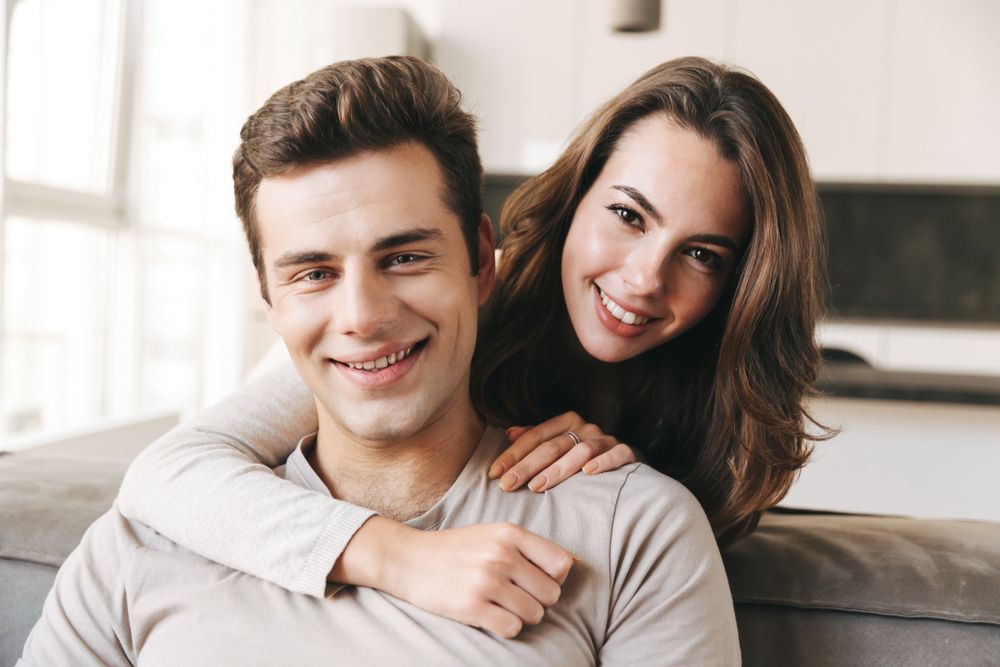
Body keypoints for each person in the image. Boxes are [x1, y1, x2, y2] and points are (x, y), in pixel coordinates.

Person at [19, 56, 740, 666]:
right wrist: (399, 555)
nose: (362, 316)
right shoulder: (149, 534)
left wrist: (609, 497)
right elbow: (170, 467)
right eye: (312, 272)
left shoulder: (640, 521)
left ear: (476, 263)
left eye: (404, 256)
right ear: (269, 298)